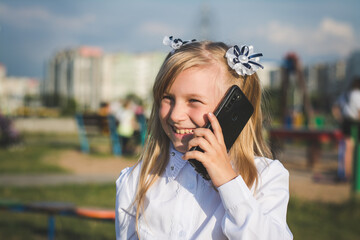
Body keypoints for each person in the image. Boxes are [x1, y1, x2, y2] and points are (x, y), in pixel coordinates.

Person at [115, 36, 293, 239]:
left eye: (193, 100)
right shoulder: (136, 181)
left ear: (232, 108)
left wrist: (228, 182)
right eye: (168, 98)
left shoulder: (265, 178)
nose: (175, 115)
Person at [332, 76, 360, 180]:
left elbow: (335, 108)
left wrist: (340, 118)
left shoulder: (346, 94)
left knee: (347, 149)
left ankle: (345, 173)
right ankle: (353, 174)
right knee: (355, 149)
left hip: (346, 123)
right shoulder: (357, 95)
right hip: (356, 123)